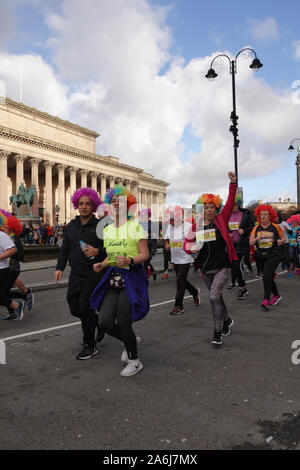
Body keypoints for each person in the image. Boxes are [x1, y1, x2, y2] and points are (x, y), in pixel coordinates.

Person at [90, 185, 149, 377]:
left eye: (120, 200)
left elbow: (145, 254)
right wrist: (102, 265)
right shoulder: (107, 230)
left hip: (131, 278)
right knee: (105, 322)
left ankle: (135, 361)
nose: (116, 203)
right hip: (113, 278)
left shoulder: (135, 226)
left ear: (128, 204)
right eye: (112, 201)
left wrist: (130, 260)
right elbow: (111, 256)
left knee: (124, 321)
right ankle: (129, 339)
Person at [184, 172, 237, 345]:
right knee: (218, 297)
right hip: (205, 269)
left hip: (223, 266)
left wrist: (232, 184)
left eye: (211, 207)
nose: (208, 210)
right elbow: (188, 242)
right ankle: (227, 319)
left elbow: (230, 201)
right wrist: (190, 249)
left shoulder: (222, 219)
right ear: (202, 209)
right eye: (206, 207)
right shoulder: (196, 225)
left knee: (214, 296)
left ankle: (217, 331)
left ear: (216, 209)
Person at [54, 188, 107, 360]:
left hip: (93, 273)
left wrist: (98, 251)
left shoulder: (101, 226)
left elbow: (111, 248)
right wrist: (59, 267)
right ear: (77, 205)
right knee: (74, 306)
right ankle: (98, 322)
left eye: (88, 204)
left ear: (93, 206)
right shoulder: (71, 226)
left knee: (85, 307)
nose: (84, 207)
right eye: (81, 203)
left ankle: (90, 345)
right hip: (76, 273)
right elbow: (65, 249)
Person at [164, 205, 200, 315]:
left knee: (180, 280)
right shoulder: (169, 227)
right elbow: (166, 238)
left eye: (172, 220)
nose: (170, 222)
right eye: (169, 220)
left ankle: (178, 305)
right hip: (175, 258)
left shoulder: (189, 226)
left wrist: (193, 247)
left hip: (186, 257)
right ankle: (194, 292)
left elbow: (196, 239)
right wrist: (166, 244)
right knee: (182, 280)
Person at [249, 205, 286, 311]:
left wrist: (280, 241)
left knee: (266, 277)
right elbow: (250, 242)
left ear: (270, 216)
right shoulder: (256, 228)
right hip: (260, 256)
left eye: (265, 214)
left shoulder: (276, 227)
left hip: (273, 255)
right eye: (261, 215)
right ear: (258, 216)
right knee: (268, 276)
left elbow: (284, 238)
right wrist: (256, 238)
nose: (263, 216)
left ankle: (266, 300)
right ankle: (276, 295)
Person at [1, 215, 34, 319]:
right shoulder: (8, 237)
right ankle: (13, 311)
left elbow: (20, 255)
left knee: (4, 293)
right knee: (4, 292)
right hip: (9, 268)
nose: (5, 227)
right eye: (4, 226)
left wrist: (8, 255)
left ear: (11, 227)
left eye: (6, 226)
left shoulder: (13, 239)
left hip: (13, 268)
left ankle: (25, 297)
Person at [227, 195, 254, 299]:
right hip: (231, 245)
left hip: (242, 244)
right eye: (231, 205)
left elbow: (253, 227)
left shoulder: (244, 215)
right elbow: (224, 227)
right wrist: (228, 233)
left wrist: (244, 231)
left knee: (238, 265)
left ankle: (242, 288)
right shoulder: (227, 216)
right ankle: (242, 287)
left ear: (238, 204)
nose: (233, 206)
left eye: (234, 204)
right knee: (235, 267)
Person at [0, 212, 25, 321]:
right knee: (2, 294)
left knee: (3, 293)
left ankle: (17, 305)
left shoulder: (2, 235)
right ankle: (17, 306)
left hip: (2, 270)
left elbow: (13, 250)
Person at [139, 209, 158, 281]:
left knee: (146, 261)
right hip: (142, 245)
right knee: (145, 262)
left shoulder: (153, 224)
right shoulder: (139, 224)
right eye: (142, 215)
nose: (143, 216)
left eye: (144, 215)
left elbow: (156, 235)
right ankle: (153, 272)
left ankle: (145, 279)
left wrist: (149, 234)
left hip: (151, 246)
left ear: (148, 215)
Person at [277, 212, 292, 278]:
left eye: (276, 217)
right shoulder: (273, 224)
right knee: (280, 257)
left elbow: (291, 233)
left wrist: (287, 230)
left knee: (287, 257)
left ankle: (289, 272)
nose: (275, 218)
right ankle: (282, 262)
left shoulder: (284, 223)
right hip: (278, 243)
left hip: (286, 242)